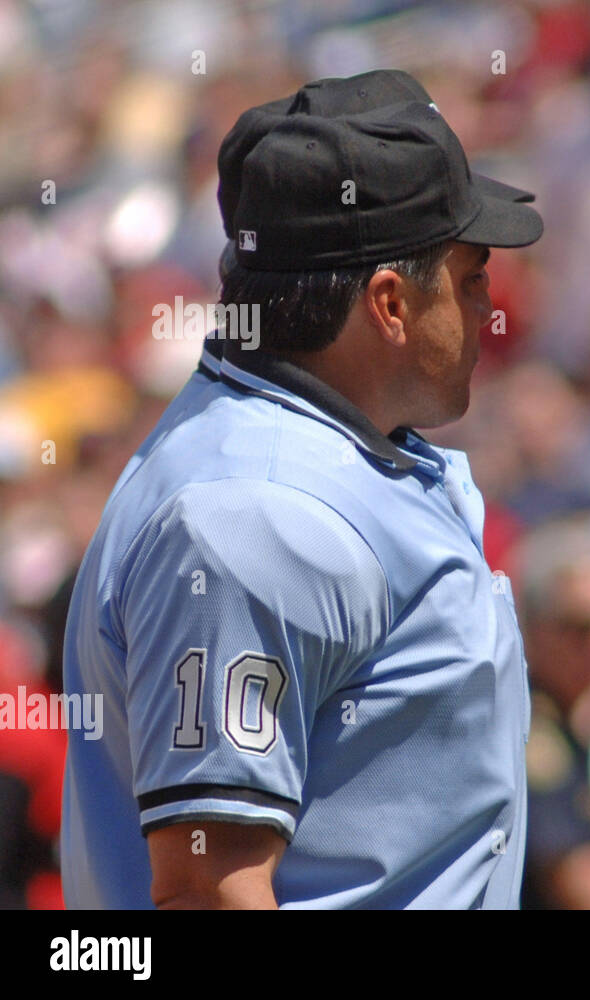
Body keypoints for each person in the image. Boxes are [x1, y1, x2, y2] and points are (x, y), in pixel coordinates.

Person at [60, 70, 542, 909]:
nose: (487, 303)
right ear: (390, 303)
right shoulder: (253, 516)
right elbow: (209, 890)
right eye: (469, 276)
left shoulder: (330, 446)